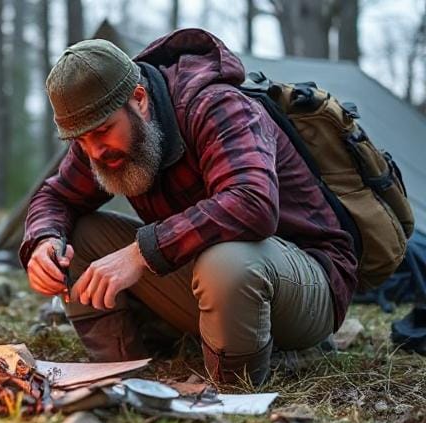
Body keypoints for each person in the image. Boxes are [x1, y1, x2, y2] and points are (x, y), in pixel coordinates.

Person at [20, 29, 357, 385]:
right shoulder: (98, 134)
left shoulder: (217, 105)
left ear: (139, 99)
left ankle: (234, 391)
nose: (94, 152)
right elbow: (55, 197)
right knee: (75, 234)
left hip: (306, 285)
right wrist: (43, 241)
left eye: (103, 131)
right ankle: (119, 377)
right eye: (81, 140)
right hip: (208, 278)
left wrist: (139, 253)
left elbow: (252, 202)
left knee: (226, 263)